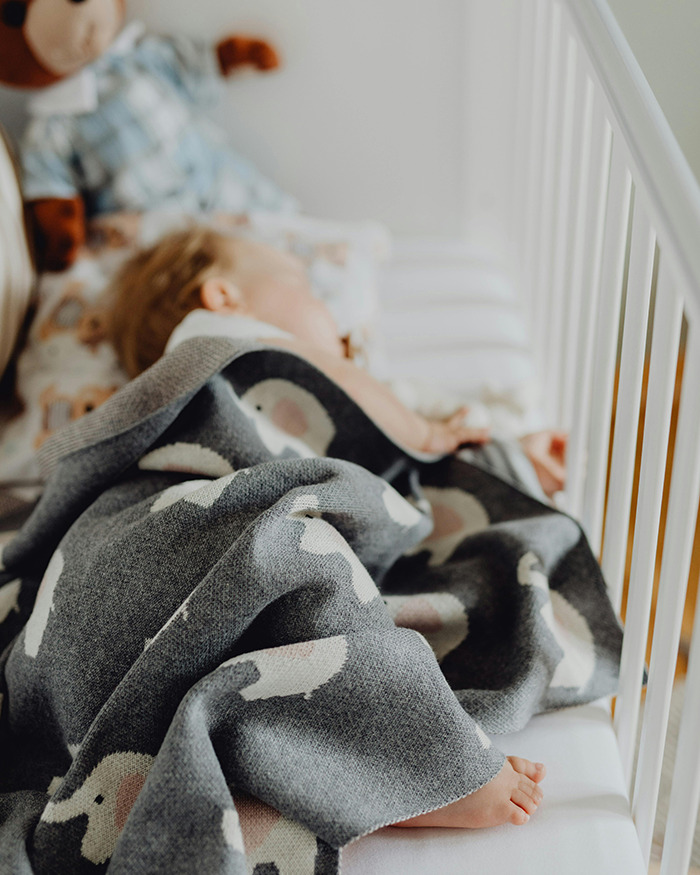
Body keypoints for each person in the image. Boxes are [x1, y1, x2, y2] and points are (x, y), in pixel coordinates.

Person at [108, 224, 551, 828]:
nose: (331, 317)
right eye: (305, 287)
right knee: (300, 565)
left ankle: (327, 762)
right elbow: (377, 408)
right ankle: (418, 766)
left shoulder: (225, 365)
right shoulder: (213, 341)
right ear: (222, 296)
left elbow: (372, 461)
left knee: (288, 624)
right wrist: (429, 434)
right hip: (177, 521)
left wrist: (512, 455)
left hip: (188, 568)